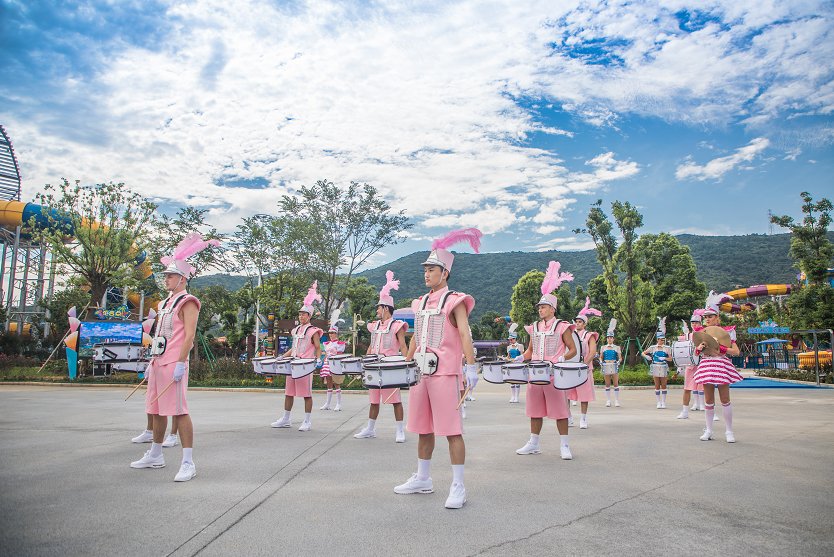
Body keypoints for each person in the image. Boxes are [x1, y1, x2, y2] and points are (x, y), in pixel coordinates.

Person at [394, 228, 481, 510]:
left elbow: (465, 334)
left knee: (452, 431)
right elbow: (416, 337)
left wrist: (471, 366)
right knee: (423, 429)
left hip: (445, 373)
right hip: (421, 374)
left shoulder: (457, 300)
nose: (426, 274)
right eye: (425, 270)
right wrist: (405, 364)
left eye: (431, 269)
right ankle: (423, 478)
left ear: (444, 273)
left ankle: (458, 485)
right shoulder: (418, 303)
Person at [130, 233, 218, 482]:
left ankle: (188, 462)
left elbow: (188, 336)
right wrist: (151, 360)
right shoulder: (165, 303)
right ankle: (156, 454)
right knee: (156, 409)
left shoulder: (188, 301)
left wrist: (181, 362)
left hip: (175, 362)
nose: (165, 279)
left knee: (179, 411)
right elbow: (159, 333)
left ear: (181, 278)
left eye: (169, 275)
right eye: (166, 275)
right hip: (159, 361)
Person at [515, 261, 578, 460]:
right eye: (539, 307)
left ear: (552, 308)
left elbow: (572, 349)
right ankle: (533, 443)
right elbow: (530, 351)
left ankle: (564, 445)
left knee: (560, 412)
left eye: (543, 307)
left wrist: (561, 358)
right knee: (534, 411)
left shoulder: (562, 326)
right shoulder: (533, 327)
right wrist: (520, 358)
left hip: (553, 375)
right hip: (534, 374)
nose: (540, 310)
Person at [354, 271, 408, 443]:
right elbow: (371, 345)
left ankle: (400, 431)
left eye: (378, 307)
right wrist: (366, 362)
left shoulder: (396, 325)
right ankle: (370, 429)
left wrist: (408, 364)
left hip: (390, 367)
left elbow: (403, 346)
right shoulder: (374, 325)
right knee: (373, 400)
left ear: (385, 308)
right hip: (375, 367)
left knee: (395, 400)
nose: (376, 310)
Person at [272, 282, 323, 432]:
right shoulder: (295, 331)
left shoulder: (313, 331)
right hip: (293, 364)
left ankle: (307, 421)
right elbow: (293, 349)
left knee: (306, 394)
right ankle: (286, 419)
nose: (301, 316)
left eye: (304, 314)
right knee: (289, 393)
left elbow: (318, 347)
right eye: (300, 314)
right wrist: (282, 357)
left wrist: (318, 359)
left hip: (305, 365)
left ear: (309, 316)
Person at [693, 291, 742, 443]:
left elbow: (736, 351)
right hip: (707, 365)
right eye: (705, 317)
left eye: (710, 316)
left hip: (721, 364)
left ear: (717, 317)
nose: (707, 319)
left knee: (725, 399)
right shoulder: (700, 333)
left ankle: (729, 431)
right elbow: (696, 355)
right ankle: (708, 430)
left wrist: (722, 349)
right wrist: (698, 349)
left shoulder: (728, 331)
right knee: (708, 400)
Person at [568, 297, 600, 429]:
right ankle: (568, 417)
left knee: (584, 394)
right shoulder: (570, 335)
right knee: (567, 393)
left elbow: (592, 352)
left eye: (580, 322)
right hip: (571, 368)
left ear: (585, 324)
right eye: (576, 322)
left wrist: (584, 364)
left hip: (584, 368)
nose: (578, 324)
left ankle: (583, 418)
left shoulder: (589, 335)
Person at [677, 312, 705, 419]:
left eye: (696, 322)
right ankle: (685, 411)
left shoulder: (704, 333)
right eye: (692, 322)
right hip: (690, 362)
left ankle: (703, 404)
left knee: (702, 385)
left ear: (700, 323)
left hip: (701, 362)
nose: (694, 324)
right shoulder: (688, 335)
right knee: (688, 386)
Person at [320, 306, 346, 411]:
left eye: (333, 333)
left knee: (337, 384)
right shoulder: (326, 344)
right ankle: (327, 403)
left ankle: (338, 404)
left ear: (336, 333)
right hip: (327, 364)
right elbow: (326, 354)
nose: (331, 335)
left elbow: (340, 355)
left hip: (335, 365)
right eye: (330, 333)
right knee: (329, 384)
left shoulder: (340, 344)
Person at [642, 317, 672, 409]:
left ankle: (663, 402)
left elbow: (671, 359)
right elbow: (643, 352)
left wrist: (666, 358)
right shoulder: (653, 347)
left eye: (663, 339)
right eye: (660, 339)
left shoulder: (667, 348)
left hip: (663, 366)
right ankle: (658, 402)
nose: (661, 341)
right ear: (657, 339)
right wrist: (646, 356)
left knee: (664, 384)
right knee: (656, 385)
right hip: (655, 366)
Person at [599, 319, 622, 407]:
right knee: (607, 384)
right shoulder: (603, 347)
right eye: (608, 337)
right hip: (606, 366)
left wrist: (618, 362)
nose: (609, 339)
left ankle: (616, 400)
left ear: (613, 338)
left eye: (611, 337)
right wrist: (601, 361)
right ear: (607, 338)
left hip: (614, 365)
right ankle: (608, 400)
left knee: (616, 384)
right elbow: (601, 357)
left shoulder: (617, 347)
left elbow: (620, 358)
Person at [506, 325, 524, 403]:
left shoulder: (520, 346)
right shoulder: (509, 347)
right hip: (511, 365)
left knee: (517, 381)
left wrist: (518, 360)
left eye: (511, 339)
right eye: (509, 340)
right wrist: (506, 359)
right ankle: (512, 396)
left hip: (518, 365)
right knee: (512, 382)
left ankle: (517, 397)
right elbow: (508, 357)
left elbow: (522, 356)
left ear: (515, 339)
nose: (510, 341)